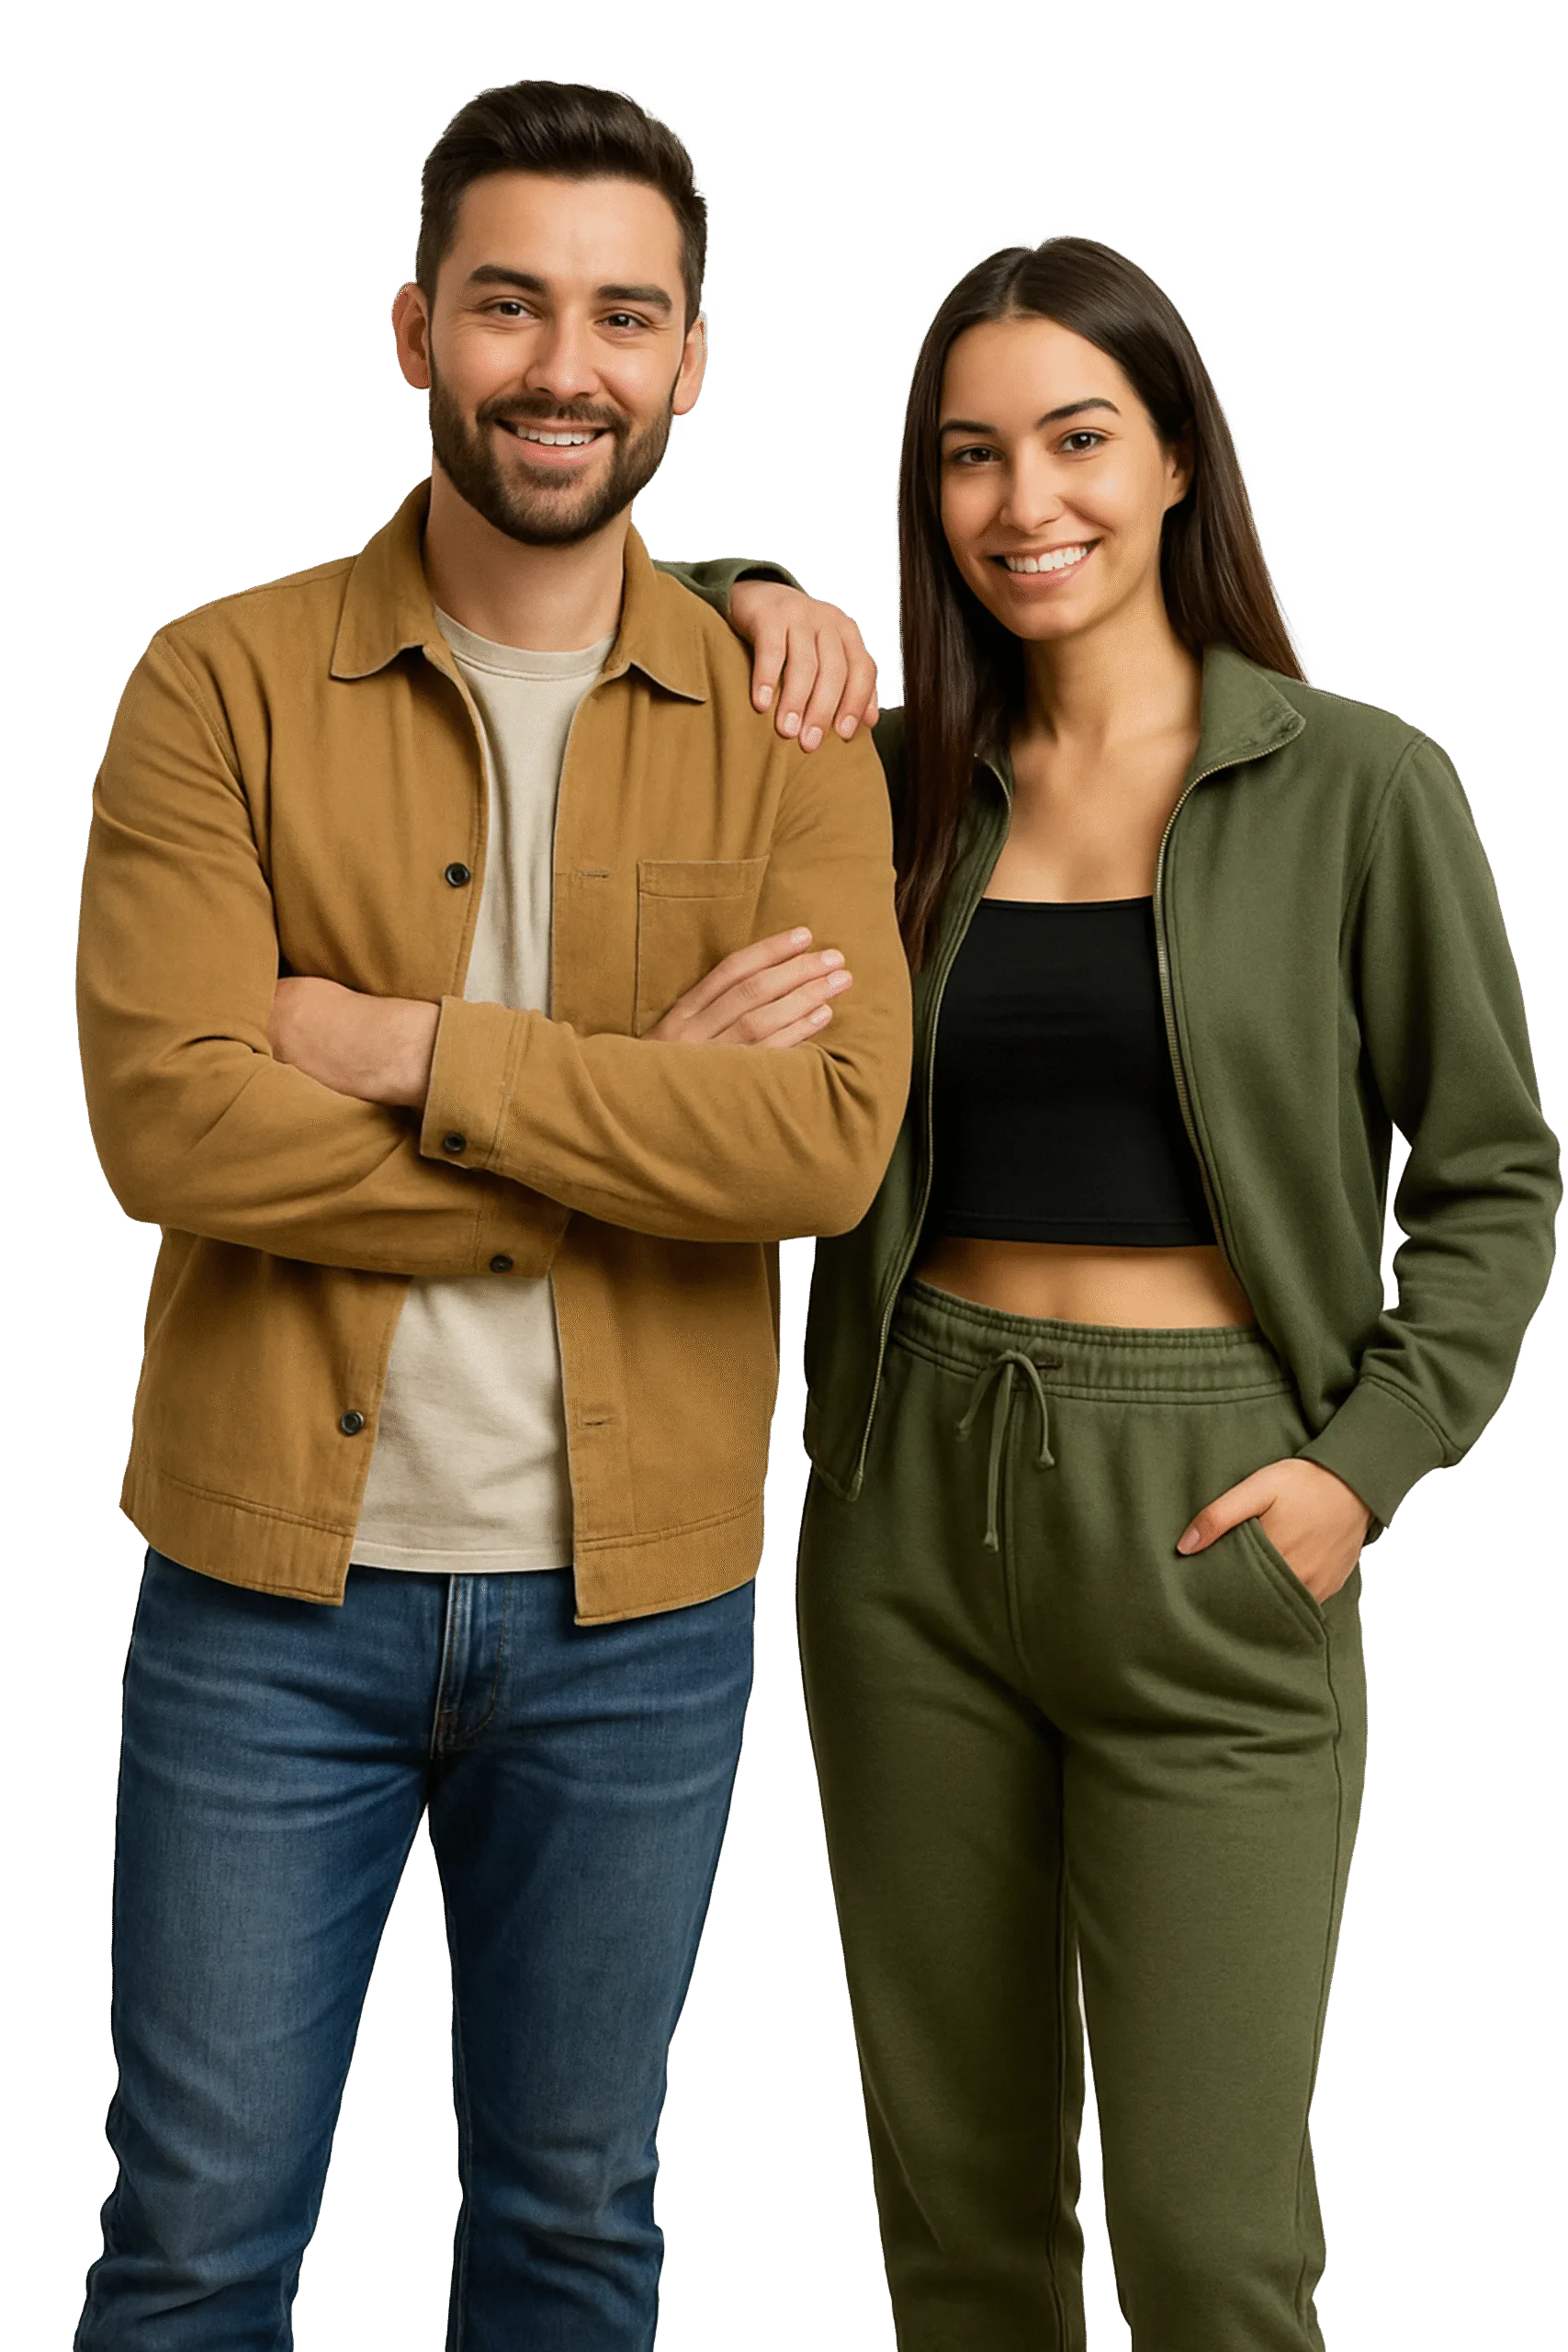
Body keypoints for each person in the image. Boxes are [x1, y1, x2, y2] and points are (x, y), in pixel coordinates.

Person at [72, 77, 909, 2352]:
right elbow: (172, 1127)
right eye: (512, 302)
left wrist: (420, 1048)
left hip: (636, 1616)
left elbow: (820, 1148)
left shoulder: (791, 718)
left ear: (693, 362)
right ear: (415, 325)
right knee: (195, 2239)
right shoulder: (217, 680)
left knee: (570, 2231)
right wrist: (641, 1131)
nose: (567, 362)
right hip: (268, 1601)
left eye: (625, 314)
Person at [671, 234, 1561, 2351]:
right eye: (967, 456)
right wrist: (750, 585)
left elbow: (1498, 1176)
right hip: (908, 1508)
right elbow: (643, 637)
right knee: (959, 2225)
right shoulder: (886, 786)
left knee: (1208, 2242)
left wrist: (1361, 1467)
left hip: (1215, 1513)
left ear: (1175, 459)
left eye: (1075, 436)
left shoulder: (1358, 783)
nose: (1020, 499)